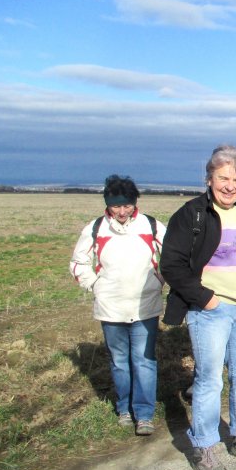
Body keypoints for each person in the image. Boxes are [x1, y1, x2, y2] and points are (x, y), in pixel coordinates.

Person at [160, 144, 236, 470]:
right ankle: (205, 445)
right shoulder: (192, 214)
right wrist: (205, 298)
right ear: (209, 178)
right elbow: (172, 264)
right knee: (210, 380)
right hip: (212, 311)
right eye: (223, 177)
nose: (230, 185)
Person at [70, 175, 166, 437]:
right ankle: (124, 409)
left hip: (145, 306)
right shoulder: (95, 228)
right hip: (110, 308)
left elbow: (171, 256)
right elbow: (78, 262)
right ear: (107, 204)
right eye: (117, 206)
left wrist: (160, 281)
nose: (122, 212)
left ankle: (144, 415)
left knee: (144, 361)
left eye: (127, 205)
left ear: (135, 203)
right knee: (120, 362)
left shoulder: (151, 225)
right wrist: (95, 285)